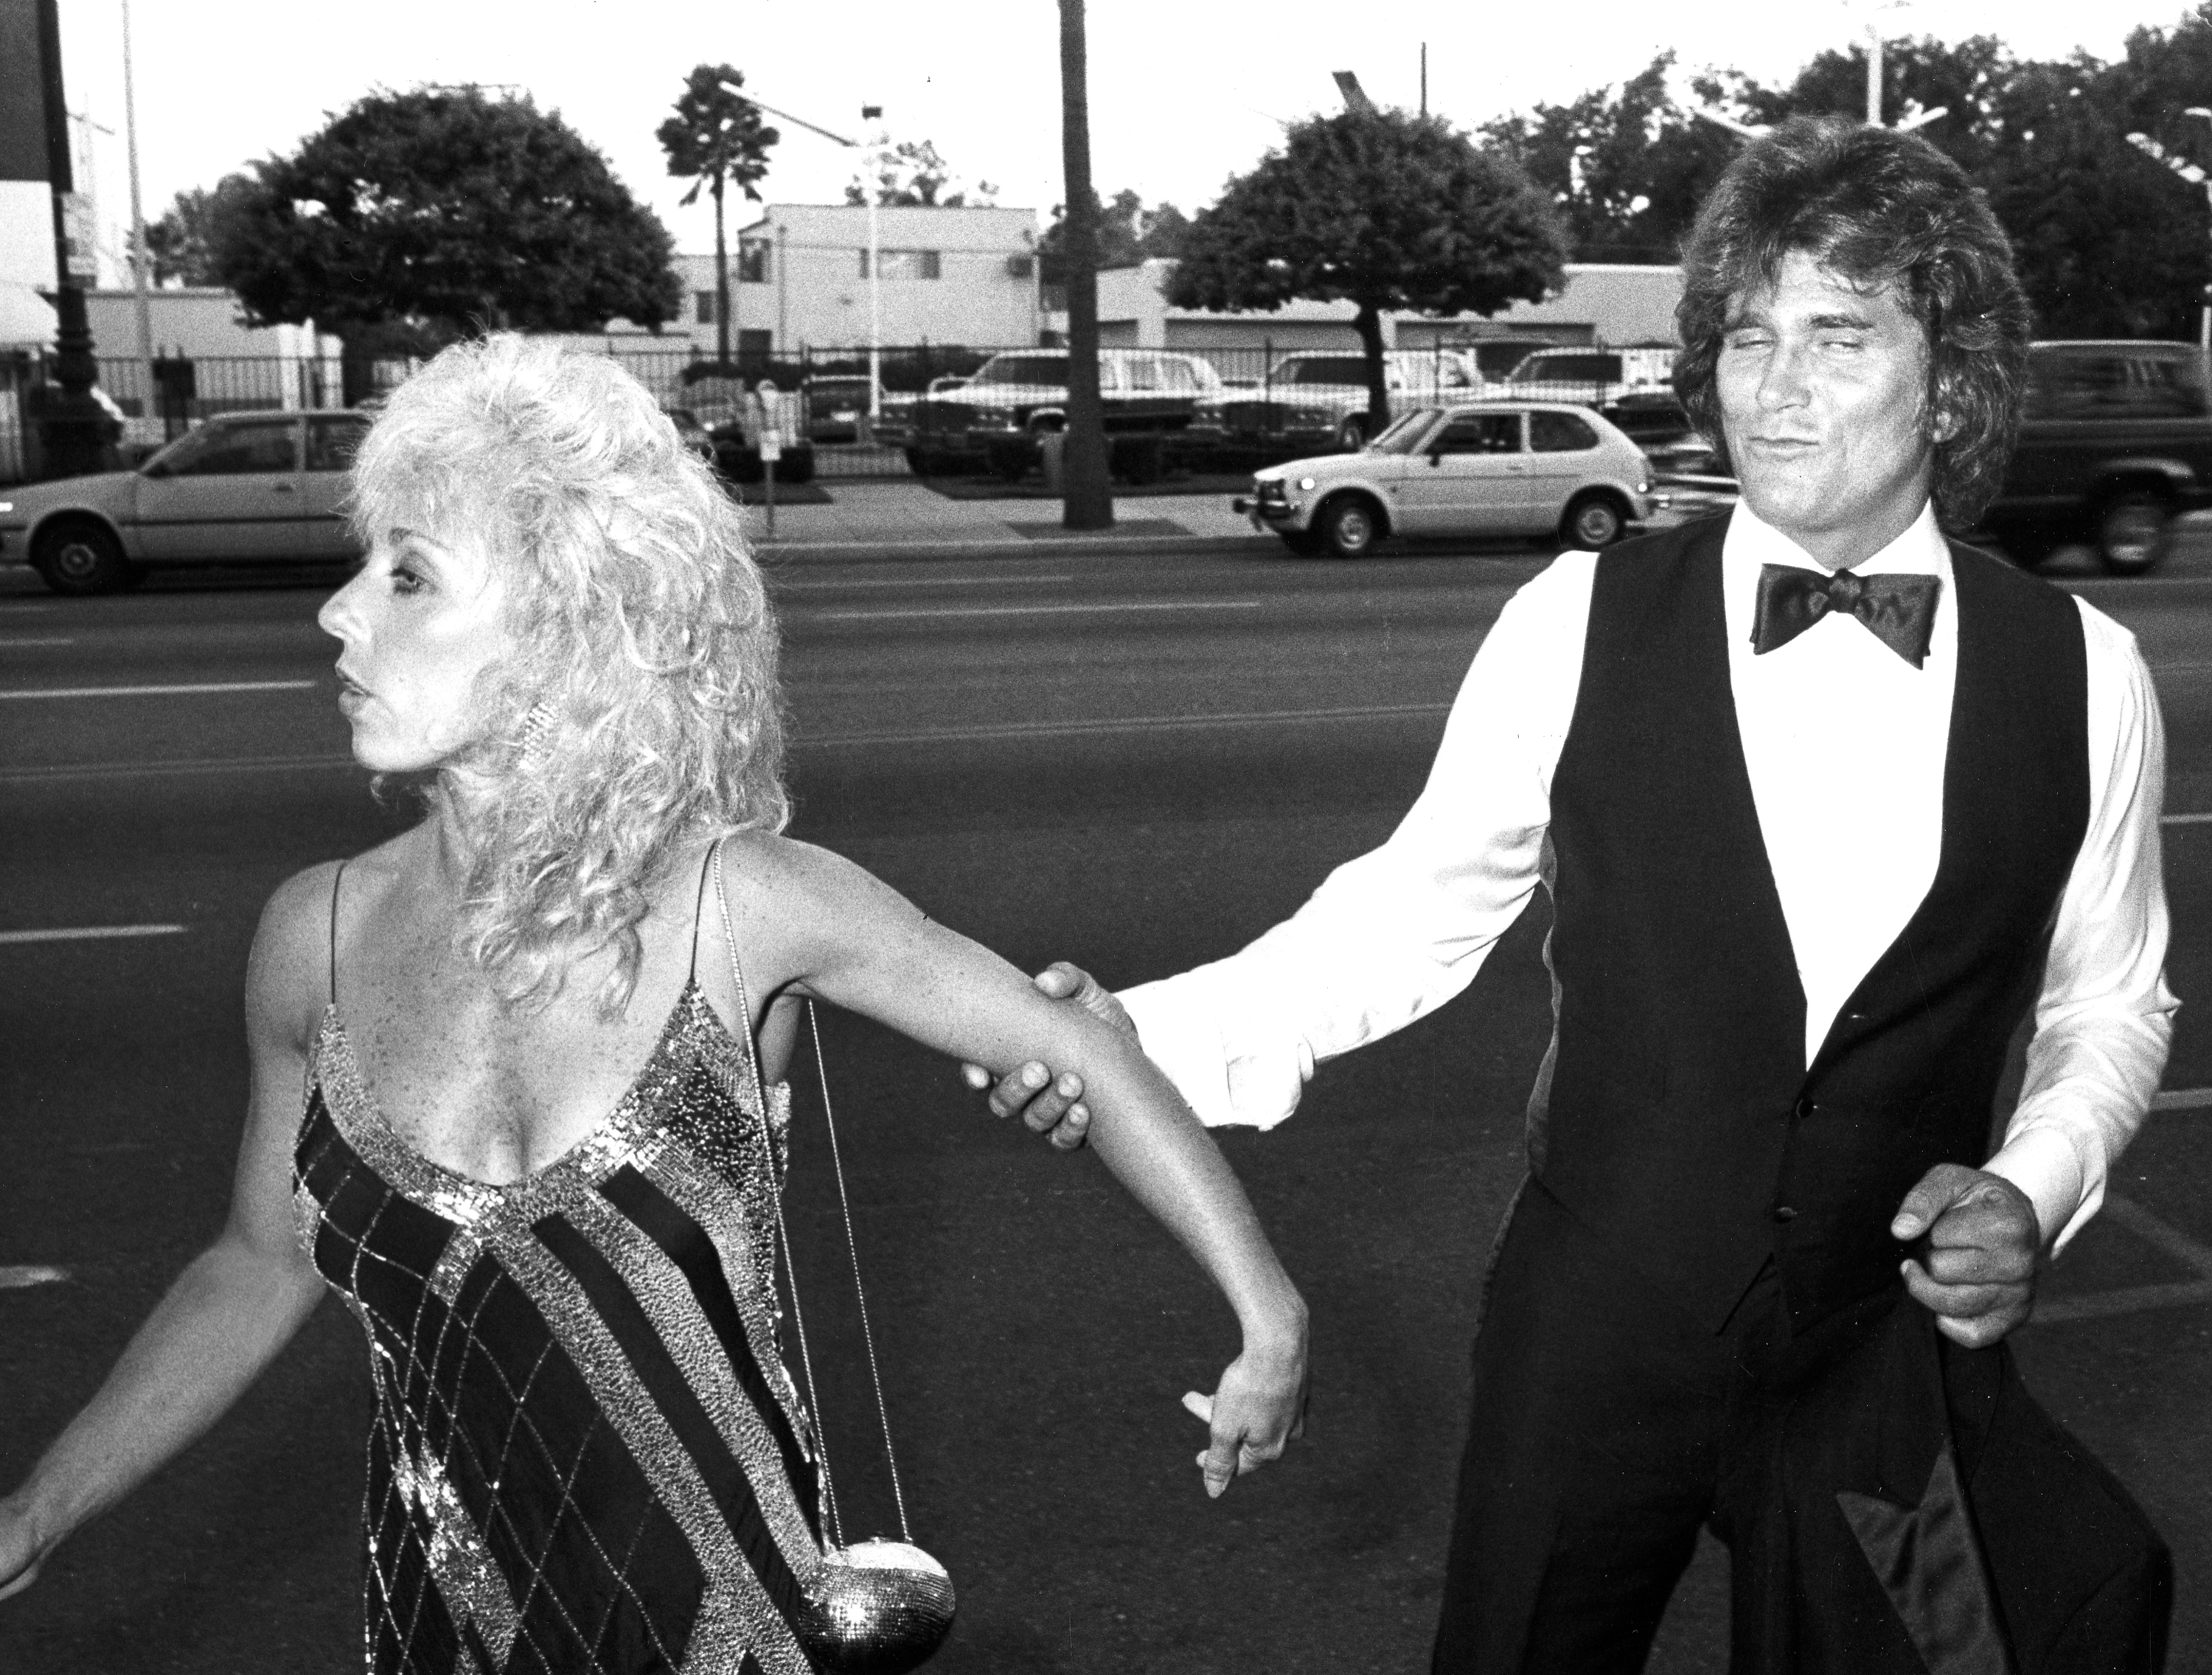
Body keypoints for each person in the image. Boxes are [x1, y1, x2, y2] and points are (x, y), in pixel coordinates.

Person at [975, 116, 2174, 1671]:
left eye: (1840, 335)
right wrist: (1122, 1035)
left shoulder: (2086, 674)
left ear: (1949, 381)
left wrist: (2038, 1181)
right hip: (1595, 1333)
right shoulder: (1580, 618)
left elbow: (2111, 998)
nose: (1778, 386)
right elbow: (1405, 915)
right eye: (1750, 338)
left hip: (1875, 1357)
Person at [0, 335, 1308, 1673]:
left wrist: (1268, 1318)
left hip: (736, 1636)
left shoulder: (748, 907)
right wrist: (41, 1506)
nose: (340, 612)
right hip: (443, 1634)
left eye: (408, 576)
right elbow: (259, 1262)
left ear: (570, 622)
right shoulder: (312, 936)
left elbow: (1066, 1041)